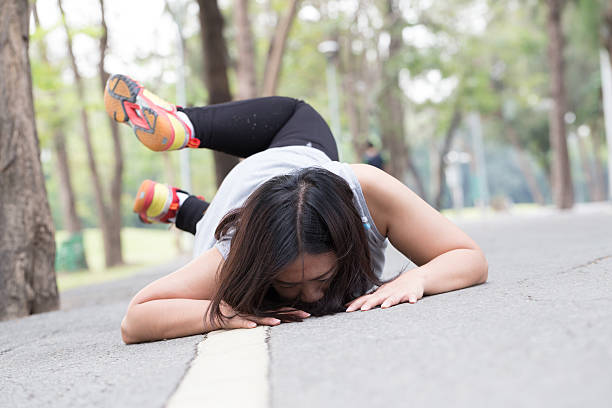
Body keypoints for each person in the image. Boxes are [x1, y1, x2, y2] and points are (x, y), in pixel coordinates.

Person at [107, 74, 488, 344]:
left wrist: (416, 279)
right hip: (240, 200)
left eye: (322, 280)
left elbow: (469, 257)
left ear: (346, 238)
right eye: (288, 283)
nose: (309, 297)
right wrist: (221, 312)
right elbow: (135, 320)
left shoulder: (367, 192)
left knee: (298, 118)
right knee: (219, 218)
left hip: (290, 165)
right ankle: (181, 180)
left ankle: (181, 187)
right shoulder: (235, 248)